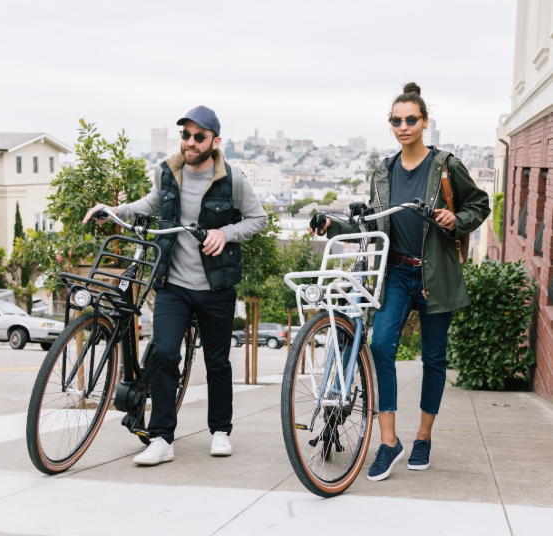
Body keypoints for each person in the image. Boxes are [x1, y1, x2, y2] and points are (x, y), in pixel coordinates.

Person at [311, 83, 490, 481]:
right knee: (380, 347)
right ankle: (389, 442)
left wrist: (455, 220)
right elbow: (370, 221)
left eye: (411, 119)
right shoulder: (384, 170)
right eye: (397, 120)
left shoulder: (445, 165)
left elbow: (480, 203)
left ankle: (423, 436)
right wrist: (330, 223)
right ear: (390, 124)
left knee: (434, 358)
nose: (404, 126)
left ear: (425, 122)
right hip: (394, 272)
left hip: (435, 274)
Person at [83, 105, 267, 465]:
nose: (191, 142)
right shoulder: (166, 172)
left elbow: (258, 219)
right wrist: (117, 210)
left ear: (214, 141)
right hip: (174, 284)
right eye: (186, 135)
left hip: (216, 287)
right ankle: (162, 438)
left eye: (199, 136)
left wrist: (225, 232)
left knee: (217, 362)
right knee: (165, 353)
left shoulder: (233, 179)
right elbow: (154, 202)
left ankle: (220, 431)